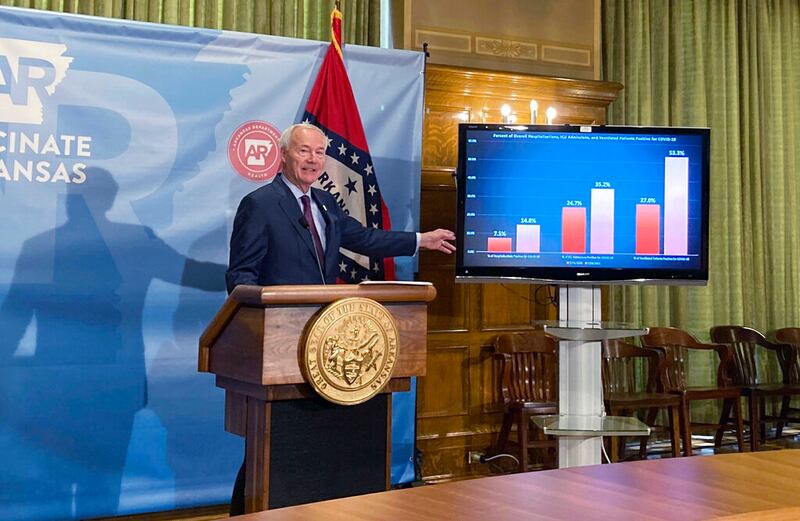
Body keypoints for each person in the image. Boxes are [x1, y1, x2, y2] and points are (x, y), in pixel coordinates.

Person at [225, 122, 454, 514]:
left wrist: (421, 240)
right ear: (283, 155)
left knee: (310, 441)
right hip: (279, 346)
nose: (313, 160)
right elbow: (240, 276)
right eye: (303, 151)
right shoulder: (260, 204)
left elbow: (365, 239)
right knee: (273, 441)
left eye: (319, 153)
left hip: (325, 340)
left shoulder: (326, 205)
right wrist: (258, 314)